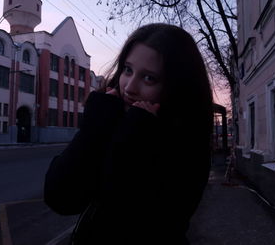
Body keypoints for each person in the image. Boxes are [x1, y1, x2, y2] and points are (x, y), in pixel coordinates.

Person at [44, 23, 214, 245]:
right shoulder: (113, 123)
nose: (129, 87)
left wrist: (135, 134)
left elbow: (123, 215)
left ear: (177, 87)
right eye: (127, 70)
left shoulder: (185, 146)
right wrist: (93, 129)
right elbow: (61, 198)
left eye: (149, 78)